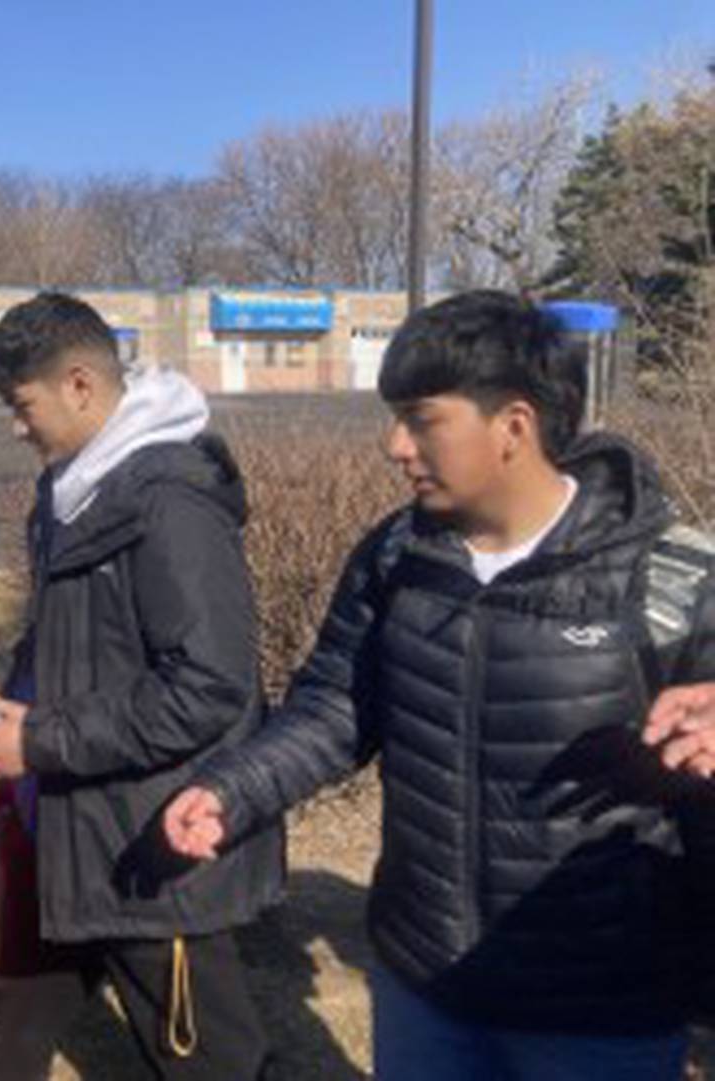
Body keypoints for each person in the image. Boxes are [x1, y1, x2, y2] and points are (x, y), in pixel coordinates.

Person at [164, 290, 715, 1081]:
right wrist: (233, 789)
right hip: (424, 984)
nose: (394, 444)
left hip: (601, 1007)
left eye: (421, 419)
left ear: (514, 427)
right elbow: (336, 705)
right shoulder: (395, 555)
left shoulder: (670, 571)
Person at [0, 292, 282, 1081]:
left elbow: (208, 687)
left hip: (152, 843)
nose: (17, 428)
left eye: (23, 406)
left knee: (210, 1060)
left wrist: (39, 740)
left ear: (81, 384)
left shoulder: (170, 504)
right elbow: (66, 626)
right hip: (68, 826)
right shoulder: (71, 489)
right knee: (6, 1035)